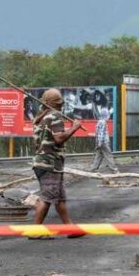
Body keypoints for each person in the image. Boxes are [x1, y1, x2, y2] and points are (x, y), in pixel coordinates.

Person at [31, 88, 82, 237]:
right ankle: (34, 231)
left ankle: (70, 229)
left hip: (46, 163)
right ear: (57, 103)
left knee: (59, 198)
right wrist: (75, 127)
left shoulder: (40, 117)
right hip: (49, 164)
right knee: (47, 198)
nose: (61, 105)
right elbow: (59, 139)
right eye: (59, 102)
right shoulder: (54, 116)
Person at [89, 107, 119, 173]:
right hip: (103, 142)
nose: (108, 116)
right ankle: (114, 169)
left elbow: (98, 133)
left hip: (99, 142)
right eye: (108, 115)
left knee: (99, 155)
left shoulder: (99, 122)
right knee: (108, 155)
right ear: (105, 115)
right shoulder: (103, 122)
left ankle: (93, 169)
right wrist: (100, 142)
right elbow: (101, 133)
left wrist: (98, 143)